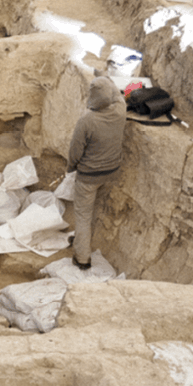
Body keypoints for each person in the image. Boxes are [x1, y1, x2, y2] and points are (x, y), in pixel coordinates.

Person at [67, 76, 126, 270]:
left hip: (88, 176)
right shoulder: (120, 110)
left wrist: (71, 167)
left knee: (83, 214)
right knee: (90, 211)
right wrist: (108, 81)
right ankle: (81, 240)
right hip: (111, 172)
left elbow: (75, 150)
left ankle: (82, 257)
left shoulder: (87, 121)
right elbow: (117, 94)